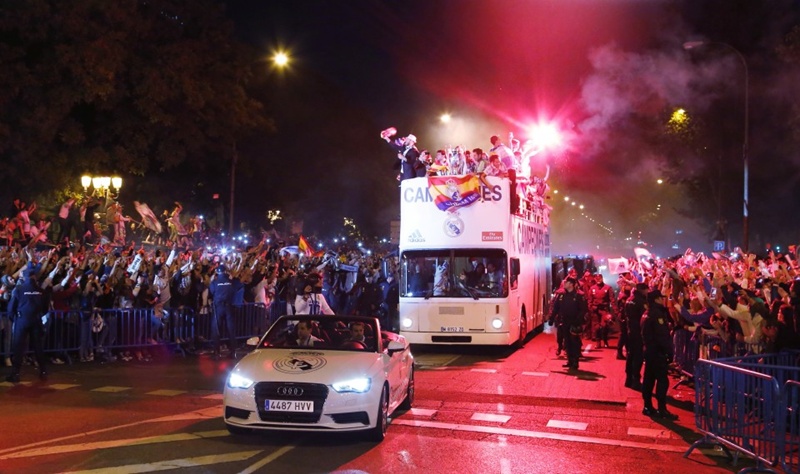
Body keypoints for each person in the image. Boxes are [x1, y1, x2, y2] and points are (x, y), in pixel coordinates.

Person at [6, 264, 50, 383]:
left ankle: (15, 373)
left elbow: (11, 308)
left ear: (24, 278)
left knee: (18, 347)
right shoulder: (41, 291)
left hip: (22, 320)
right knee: (38, 346)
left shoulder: (19, 290)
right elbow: (45, 308)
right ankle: (43, 371)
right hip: (36, 320)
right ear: (34, 277)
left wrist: (14, 318)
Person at [641, 289, 678, 420]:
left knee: (648, 380)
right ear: (656, 299)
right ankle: (662, 409)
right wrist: (669, 353)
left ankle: (647, 406)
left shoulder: (647, 313)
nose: (663, 300)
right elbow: (662, 336)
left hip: (649, 351)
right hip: (657, 352)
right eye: (661, 298)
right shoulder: (657, 315)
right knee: (662, 381)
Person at [550, 276, 587, 370]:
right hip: (564, 322)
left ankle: (575, 361)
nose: (564, 284)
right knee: (567, 342)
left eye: (566, 282)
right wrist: (551, 319)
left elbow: (583, 310)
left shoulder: (579, 296)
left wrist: (577, 321)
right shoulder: (561, 295)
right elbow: (556, 308)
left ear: (571, 284)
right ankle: (570, 361)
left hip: (574, 322)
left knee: (575, 342)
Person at [209, 265, 241, 359]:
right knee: (231, 330)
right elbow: (237, 288)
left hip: (218, 307)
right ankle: (233, 352)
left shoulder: (214, 282)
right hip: (229, 307)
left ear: (217, 272)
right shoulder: (231, 282)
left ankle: (216, 353)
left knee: (216, 330)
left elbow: (211, 292)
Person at [624, 283, 648, 390]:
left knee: (630, 355)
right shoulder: (641, 301)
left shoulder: (629, 299)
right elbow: (643, 318)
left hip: (630, 330)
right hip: (638, 331)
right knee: (637, 357)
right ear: (643, 290)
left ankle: (628, 379)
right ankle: (635, 380)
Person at [588, 273, 615, 347]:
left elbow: (612, 300)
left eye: (600, 278)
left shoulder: (608, 288)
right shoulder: (592, 288)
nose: (598, 280)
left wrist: (616, 311)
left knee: (605, 326)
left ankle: (605, 340)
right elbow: (589, 300)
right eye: (597, 278)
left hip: (604, 310)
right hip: (595, 310)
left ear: (602, 278)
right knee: (596, 327)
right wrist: (591, 307)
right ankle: (598, 341)